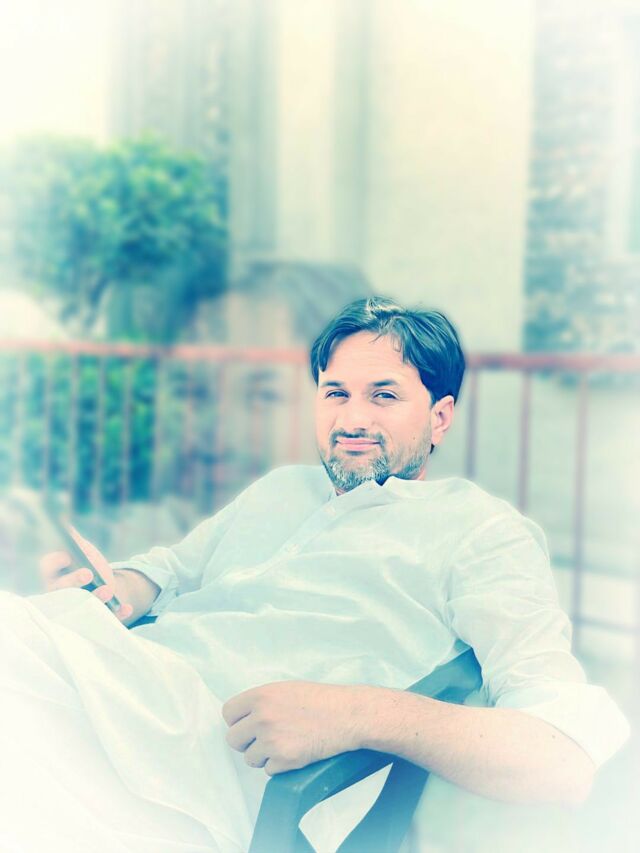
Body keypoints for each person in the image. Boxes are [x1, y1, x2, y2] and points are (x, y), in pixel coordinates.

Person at [1, 297, 629, 853]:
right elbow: (172, 568)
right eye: (336, 393)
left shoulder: (480, 532)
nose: (352, 419)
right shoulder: (282, 490)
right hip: (114, 699)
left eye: (384, 395)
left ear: (439, 418)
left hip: (214, 766)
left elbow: (564, 755)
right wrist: (123, 589)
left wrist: (357, 713)